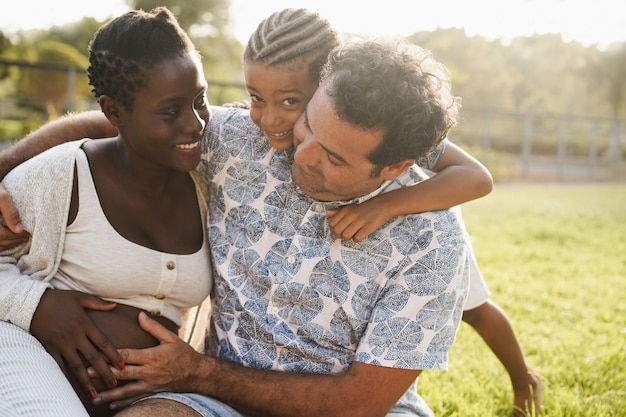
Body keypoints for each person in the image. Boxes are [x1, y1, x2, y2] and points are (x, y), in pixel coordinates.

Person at [0, 8, 540, 416]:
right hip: (215, 402)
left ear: (396, 167)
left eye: (332, 155)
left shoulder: (431, 239)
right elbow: (120, 127)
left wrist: (203, 373)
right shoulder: (246, 138)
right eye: (310, 125)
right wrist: (6, 168)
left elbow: (359, 401)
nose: (297, 152)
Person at [0, 7, 213, 416]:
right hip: (26, 359)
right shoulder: (62, 176)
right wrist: (38, 303)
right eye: (170, 111)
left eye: (200, 100)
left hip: (147, 398)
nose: (195, 123)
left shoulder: (209, 184)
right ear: (114, 111)